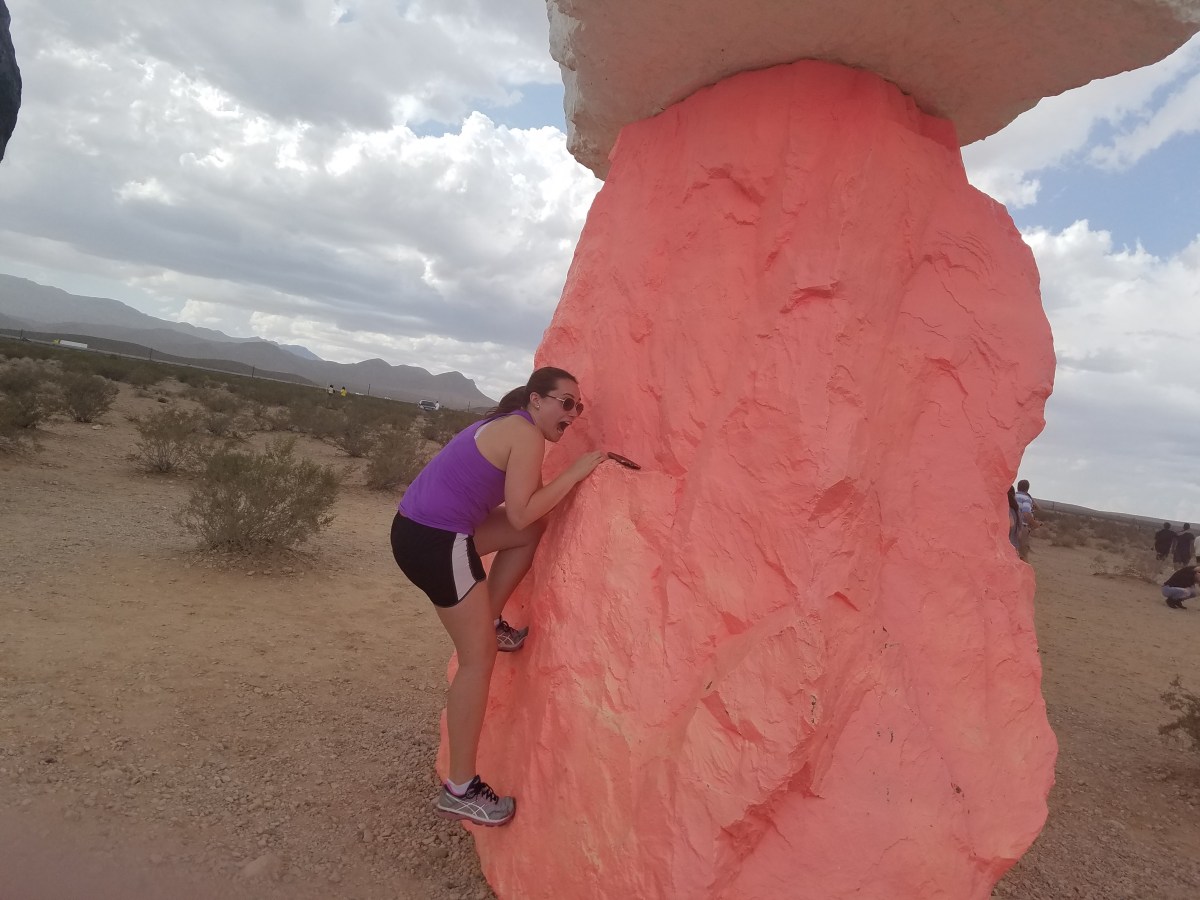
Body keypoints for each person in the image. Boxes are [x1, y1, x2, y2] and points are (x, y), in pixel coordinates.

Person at [390, 367, 608, 826]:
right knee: (478, 659)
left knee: (528, 533)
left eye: (579, 407)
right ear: (536, 400)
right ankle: (461, 789)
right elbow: (524, 508)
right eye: (566, 402)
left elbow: (523, 517)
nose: (573, 414)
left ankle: (489, 620)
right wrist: (576, 472)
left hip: (420, 530)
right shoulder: (524, 434)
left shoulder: (511, 425)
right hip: (436, 540)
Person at [1013, 479, 1038, 560]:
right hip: (1021, 527)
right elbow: (1026, 513)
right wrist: (1034, 524)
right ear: (1027, 488)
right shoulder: (1027, 499)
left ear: (1018, 487)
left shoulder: (1012, 496)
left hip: (1010, 526)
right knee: (1022, 554)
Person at [1006, 486, 1022, 552]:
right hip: (1014, 545)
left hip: (1005, 546)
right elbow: (1020, 532)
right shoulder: (1016, 510)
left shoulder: (1006, 509)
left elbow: (1011, 523)